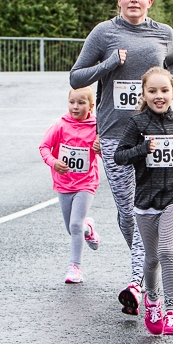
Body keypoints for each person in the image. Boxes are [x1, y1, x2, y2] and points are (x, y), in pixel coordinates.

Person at [70, 0, 173, 316]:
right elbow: (77, 77)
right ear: (119, 0)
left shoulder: (164, 33)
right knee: (127, 212)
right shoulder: (104, 33)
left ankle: (138, 282)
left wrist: (172, 86)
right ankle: (148, 261)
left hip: (156, 135)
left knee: (143, 206)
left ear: (150, 1)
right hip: (116, 134)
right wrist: (110, 64)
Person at [115, 67, 173, 336]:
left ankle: (172, 311)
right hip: (146, 198)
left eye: (164, 91)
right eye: (153, 91)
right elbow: (120, 156)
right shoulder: (137, 124)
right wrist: (142, 149)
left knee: (167, 250)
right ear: (144, 94)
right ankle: (151, 301)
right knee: (151, 259)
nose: (159, 96)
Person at [39, 87, 100, 284]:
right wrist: (54, 162)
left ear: (91, 106)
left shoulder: (97, 127)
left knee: (75, 225)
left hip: (86, 183)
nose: (75, 106)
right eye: (72, 102)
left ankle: (75, 267)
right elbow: (44, 147)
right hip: (64, 183)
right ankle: (88, 229)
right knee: (72, 228)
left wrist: (101, 147)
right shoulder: (60, 126)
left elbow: (107, 153)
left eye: (81, 103)